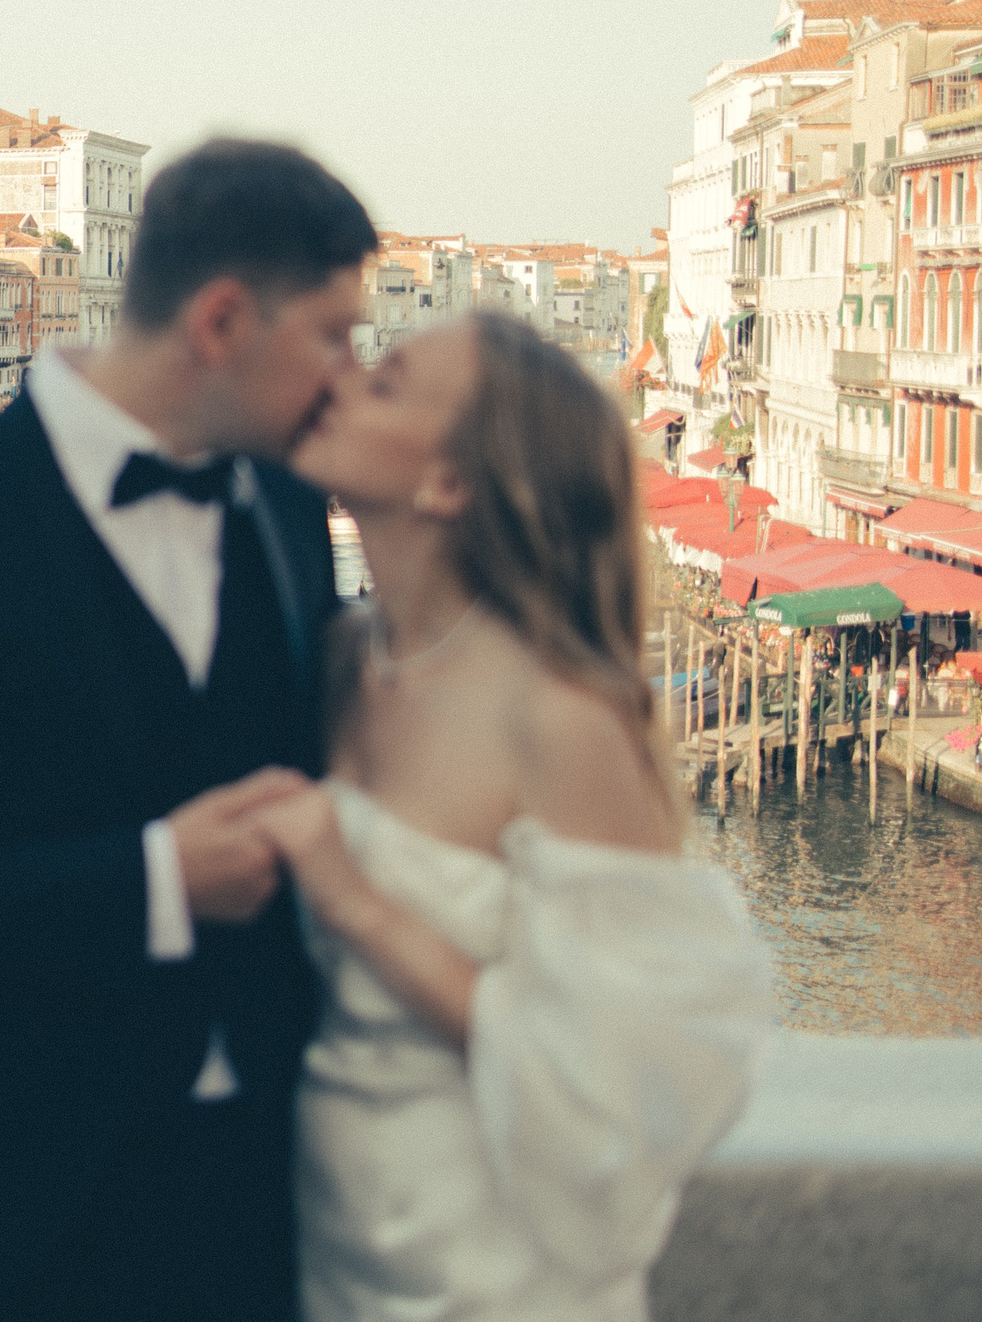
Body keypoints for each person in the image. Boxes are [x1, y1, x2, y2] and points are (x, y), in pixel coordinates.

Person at [0, 139, 376, 1322]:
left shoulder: (287, 507)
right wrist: (153, 881)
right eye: (331, 335)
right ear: (219, 321)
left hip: (253, 1215)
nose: (347, 380)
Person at [261, 312, 773, 1321]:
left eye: (388, 382)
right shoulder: (332, 658)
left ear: (448, 483)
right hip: (335, 1240)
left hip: (494, 1267)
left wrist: (352, 897)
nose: (342, 381)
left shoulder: (559, 715)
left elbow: (608, 1064)